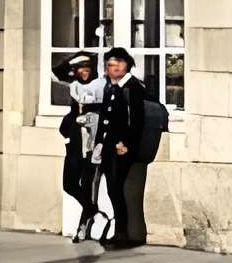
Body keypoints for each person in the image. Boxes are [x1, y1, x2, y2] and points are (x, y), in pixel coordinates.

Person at [97, 46, 160, 250]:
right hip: (108, 146)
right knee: (112, 190)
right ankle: (120, 231)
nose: (112, 68)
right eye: (109, 65)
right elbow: (105, 117)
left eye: (117, 64)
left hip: (121, 148)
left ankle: (123, 233)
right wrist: (99, 142)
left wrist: (126, 144)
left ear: (126, 65)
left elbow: (136, 121)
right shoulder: (111, 87)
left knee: (118, 190)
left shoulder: (132, 88)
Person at [57, 55, 109, 243]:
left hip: (92, 143)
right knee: (69, 184)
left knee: (87, 185)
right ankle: (92, 211)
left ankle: (82, 227)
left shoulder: (100, 84)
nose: (84, 71)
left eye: (87, 66)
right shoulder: (74, 85)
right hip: (74, 142)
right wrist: (72, 59)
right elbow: (56, 72)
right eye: (80, 67)